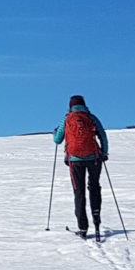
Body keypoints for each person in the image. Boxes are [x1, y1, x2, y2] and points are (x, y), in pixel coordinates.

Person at [53, 94, 109, 239]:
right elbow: (102, 135)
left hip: (75, 160)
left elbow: (57, 140)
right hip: (94, 158)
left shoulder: (66, 119)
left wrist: (56, 132)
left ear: (70, 106)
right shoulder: (91, 117)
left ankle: (83, 228)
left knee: (79, 192)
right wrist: (104, 152)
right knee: (94, 187)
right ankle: (97, 222)